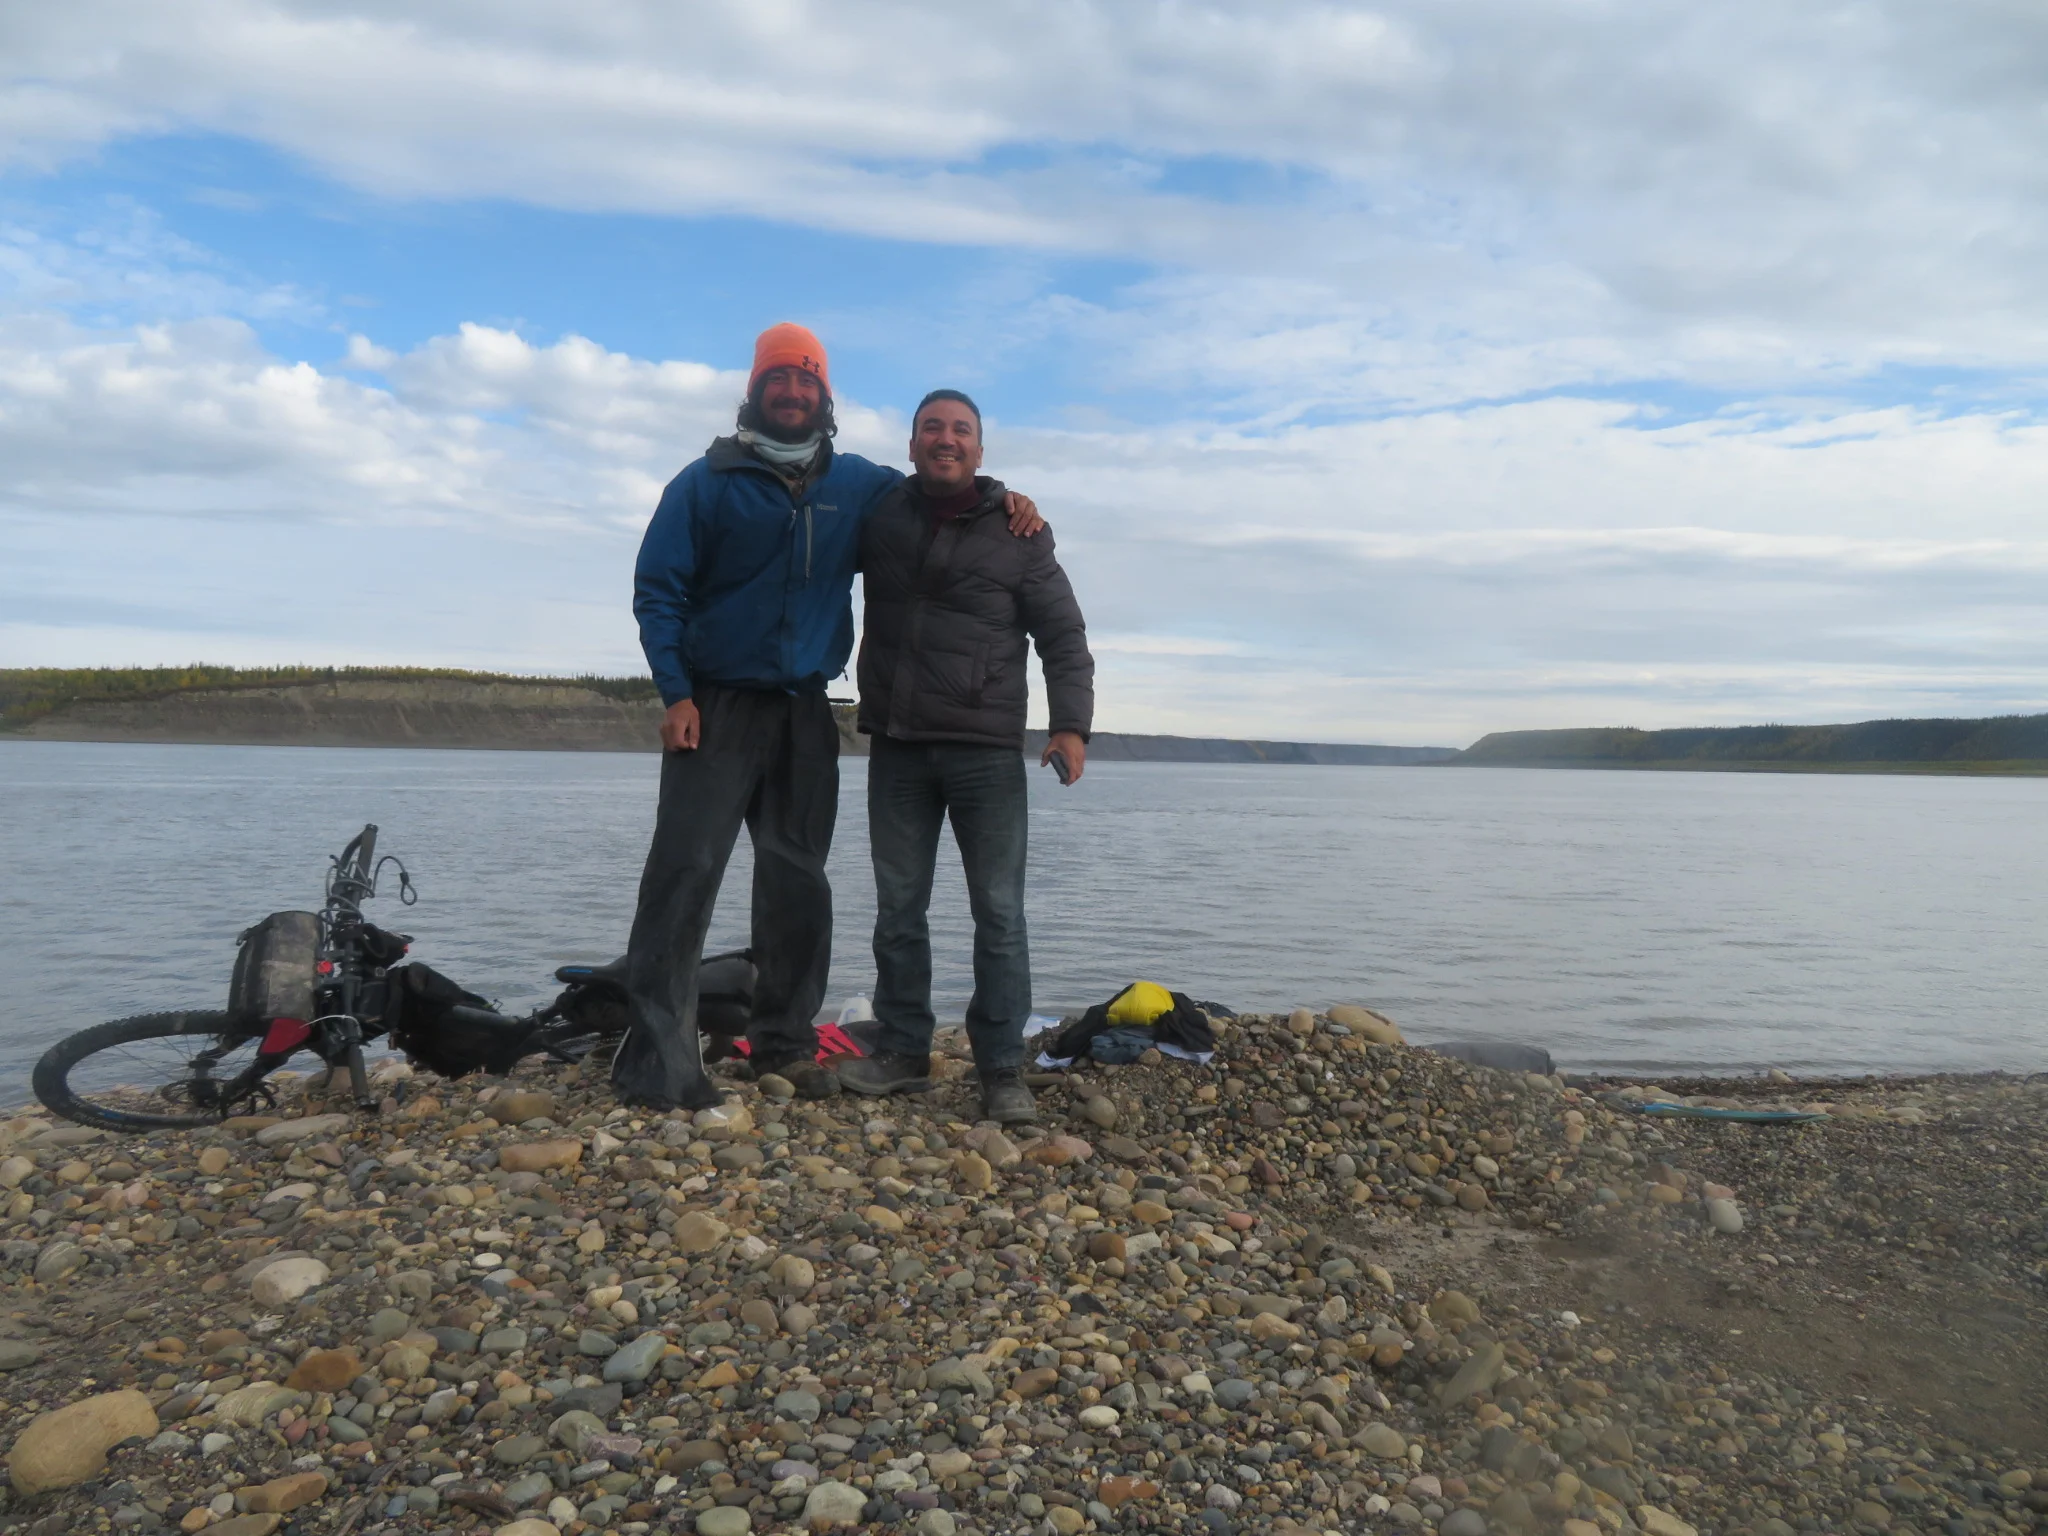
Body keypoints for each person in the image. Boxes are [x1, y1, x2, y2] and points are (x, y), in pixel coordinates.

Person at [617, 326, 1040, 1112]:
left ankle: (784, 1043)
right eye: (778, 380)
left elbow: (944, 486)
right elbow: (657, 592)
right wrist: (675, 694)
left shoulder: (860, 486)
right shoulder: (703, 484)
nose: (792, 393)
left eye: (806, 381)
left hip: (806, 710)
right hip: (713, 706)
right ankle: (658, 1061)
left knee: (797, 883)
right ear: (755, 391)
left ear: (825, 397)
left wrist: (1005, 498)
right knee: (684, 875)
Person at [836, 389, 1094, 1124]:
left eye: (960, 430)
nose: (945, 439)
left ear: (980, 450)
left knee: (1000, 914)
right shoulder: (881, 512)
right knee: (898, 910)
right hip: (898, 748)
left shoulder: (1018, 530)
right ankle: (903, 1049)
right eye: (931, 428)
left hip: (985, 751)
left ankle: (1001, 1067)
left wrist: (1070, 726)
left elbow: (1063, 636)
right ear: (912, 444)